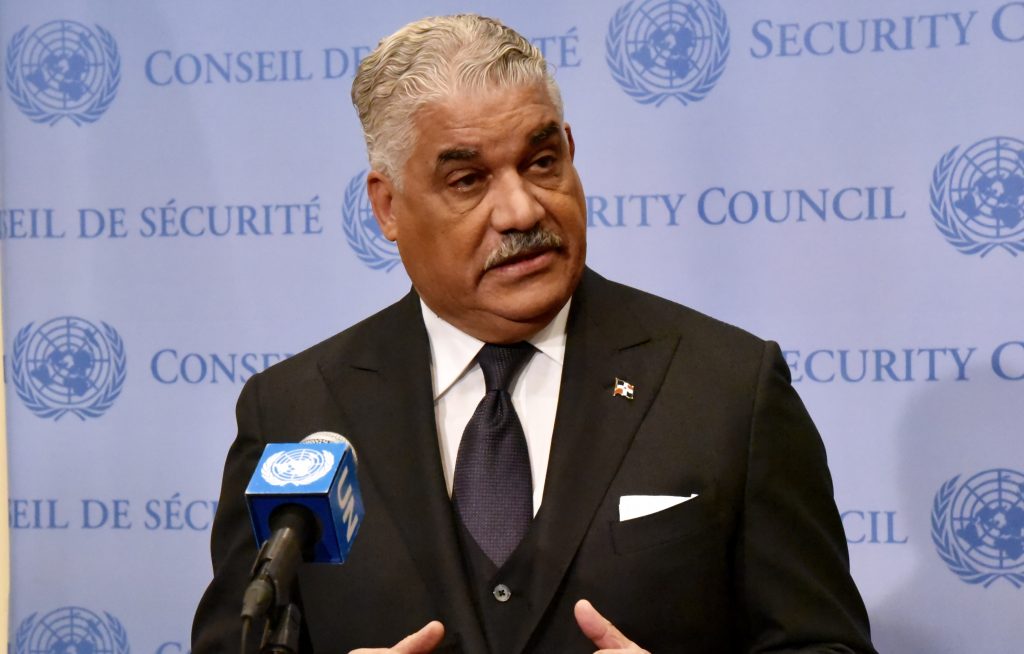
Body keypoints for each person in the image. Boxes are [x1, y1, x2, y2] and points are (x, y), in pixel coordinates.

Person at [193, 14, 876, 654]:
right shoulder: (293, 414)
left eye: (542, 161)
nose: (521, 210)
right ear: (388, 206)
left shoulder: (728, 388)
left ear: (571, 152)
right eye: (468, 180)